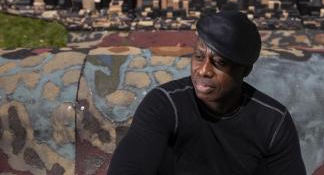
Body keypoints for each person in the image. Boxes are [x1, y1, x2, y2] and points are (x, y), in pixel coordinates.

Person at [108, 11, 306, 175]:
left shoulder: (272, 122)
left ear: (245, 70)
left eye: (219, 63)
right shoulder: (166, 105)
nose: (203, 70)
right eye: (198, 56)